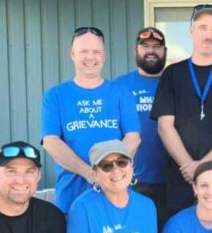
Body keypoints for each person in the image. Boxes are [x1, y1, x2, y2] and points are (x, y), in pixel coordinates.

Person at [151, 4, 212, 217]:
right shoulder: (172, 74)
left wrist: (203, 166)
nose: (209, 35)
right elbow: (164, 127)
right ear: (191, 31)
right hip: (181, 179)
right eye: (203, 27)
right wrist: (189, 165)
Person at [41, 26, 141, 213]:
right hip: (71, 199)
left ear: (104, 55)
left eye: (96, 52)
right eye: (83, 52)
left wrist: (111, 173)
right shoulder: (55, 95)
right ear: (72, 54)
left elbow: (133, 137)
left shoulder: (121, 93)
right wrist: (92, 174)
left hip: (116, 197)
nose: (90, 57)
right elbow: (51, 142)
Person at [114, 26, 170, 230]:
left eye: (157, 46)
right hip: (133, 181)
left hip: (173, 180)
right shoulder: (119, 86)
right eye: (145, 46)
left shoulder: (176, 83)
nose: (151, 50)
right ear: (135, 51)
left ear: (165, 51)